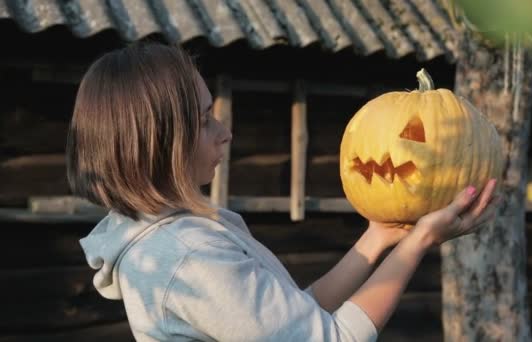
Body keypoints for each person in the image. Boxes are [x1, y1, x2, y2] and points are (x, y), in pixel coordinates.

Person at [68, 41, 501, 342]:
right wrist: (420, 241)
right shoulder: (186, 256)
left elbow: (299, 316)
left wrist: (382, 236)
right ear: (158, 143)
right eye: (204, 122)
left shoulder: (182, 235)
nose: (226, 133)